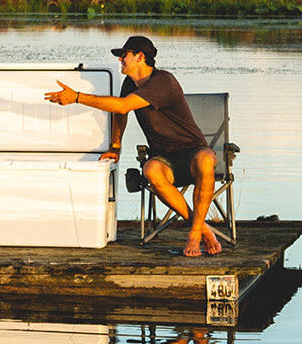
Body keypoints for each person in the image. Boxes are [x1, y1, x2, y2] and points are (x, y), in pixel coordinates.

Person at [43, 35, 222, 257]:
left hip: (192, 152)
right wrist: (115, 146)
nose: (120, 60)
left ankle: (195, 235)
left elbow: (123, 106)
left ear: (140, 57)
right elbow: (121, 114)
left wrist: (77, 97)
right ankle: (204, 228)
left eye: (123, 55)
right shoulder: (130, 83)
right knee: (150, 170)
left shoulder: (163, 81)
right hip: (164, 158)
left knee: (206, 158)